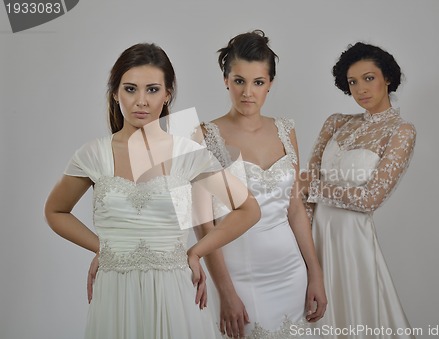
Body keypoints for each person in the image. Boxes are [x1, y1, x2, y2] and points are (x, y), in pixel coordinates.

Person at [44, 42, 260, 339]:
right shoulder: (93, 154)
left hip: (173, 291)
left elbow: (248, 210)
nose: (141, 101)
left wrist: (196, 252)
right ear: (115, 93)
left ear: (168, 93)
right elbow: (55, 211)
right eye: (130, 89)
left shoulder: (187, 151)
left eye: (152, 90)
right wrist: (102, 248)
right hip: (115, 291)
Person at [197, 30, 327, 339]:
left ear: (270, 83)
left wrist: (315, 273)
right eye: (239, 81)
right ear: (225, 79)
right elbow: (203, 225)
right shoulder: (203, 137)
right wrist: (226, 292)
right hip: (240, 277)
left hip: (291, 273)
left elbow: (295, 208)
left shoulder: (285, 130)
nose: (248, 93)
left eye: (258, 83)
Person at [300, 42, 416, 338]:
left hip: (352, 242)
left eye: (369, 78)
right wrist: (302, 243)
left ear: (387, 78)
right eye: (353, 82)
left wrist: (312, 187)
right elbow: (305, 188)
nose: (361, 89)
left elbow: (370, 199)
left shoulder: (400, 131)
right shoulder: (336, 122)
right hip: (315, 237)